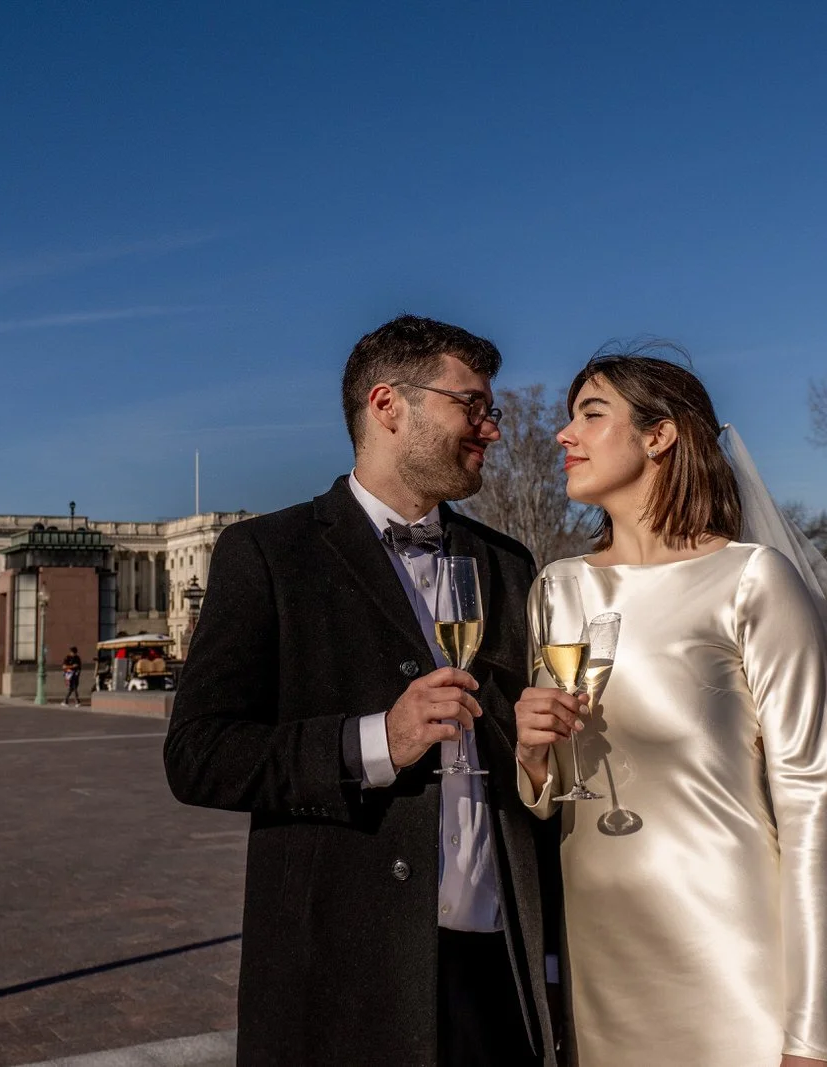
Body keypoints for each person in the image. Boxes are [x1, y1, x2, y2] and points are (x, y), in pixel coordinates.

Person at [165, 315, 561, 1067]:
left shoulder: (509, 562)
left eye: (492, 410)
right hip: (341, 981)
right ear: (388, 406)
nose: (493, 430)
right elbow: (197, 754)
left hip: (498, 979)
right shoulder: (267, 554)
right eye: (472, 406)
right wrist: (378, 740)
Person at [514, 350, 827, 1067]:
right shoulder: (556, 589)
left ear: (659, 434)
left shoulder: (752, 581)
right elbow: (551, 798)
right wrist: (533, 752)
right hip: (599, 958)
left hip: (730, 952)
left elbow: (807, 812)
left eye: (590, 414)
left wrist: (814, 1035)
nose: (564, 435)